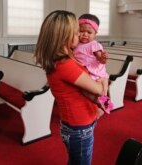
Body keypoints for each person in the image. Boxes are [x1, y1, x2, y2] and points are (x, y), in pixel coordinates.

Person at [34, 10, 108, 165]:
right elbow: (100, 90)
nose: (80, 36)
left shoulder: (63, 59)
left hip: (78, 122)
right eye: (76, 33)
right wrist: (104, 78)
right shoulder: (65, 65)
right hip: (79, 127)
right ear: (64, 37)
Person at [73, 13, 113, 114]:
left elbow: (101, 59)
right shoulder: (76, 44)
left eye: (89, 32)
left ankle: (105, 104)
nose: (85, 34)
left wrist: (103, 58)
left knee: (98, 92)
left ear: (95, 33)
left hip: (95, 73)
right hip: (85, 73)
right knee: (85, 92)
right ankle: (100, 103)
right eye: (81, 31)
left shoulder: (94, 45)